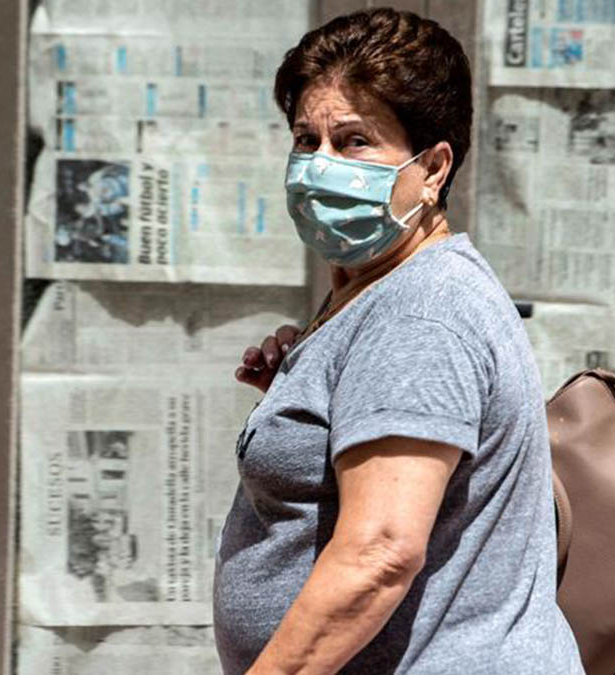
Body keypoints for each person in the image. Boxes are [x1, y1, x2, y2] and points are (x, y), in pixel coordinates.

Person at [212, 8, 583, 674]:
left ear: (434, 167)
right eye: (306, 139)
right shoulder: (385, 287)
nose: (318, 167)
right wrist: (312, 397)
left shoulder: (421, 313)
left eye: (353, 142)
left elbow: (379, 553)